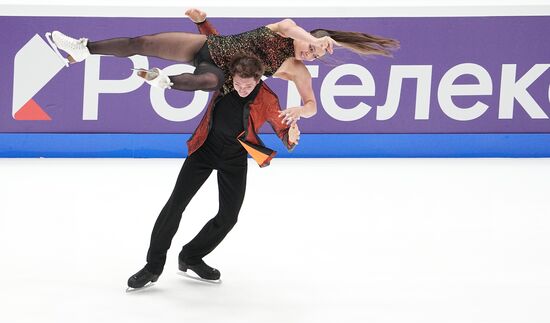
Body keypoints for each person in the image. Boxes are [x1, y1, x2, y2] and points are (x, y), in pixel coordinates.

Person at [127, 53, 301, 290]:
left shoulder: (268, 98)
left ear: (259, 80)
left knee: (229, 217)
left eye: (247, 85)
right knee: (175, 205)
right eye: (238, 83)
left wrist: (290, 136)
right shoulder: (224, 82)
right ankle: (152, 267)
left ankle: (191, 255)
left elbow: (282, 127)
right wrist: (201, 22)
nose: (241, 88)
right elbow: (213, 45)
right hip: (204, 151)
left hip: (235, 158)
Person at [46, 9, 399, 126]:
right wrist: (314, 39)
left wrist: (299, 112)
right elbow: (299, 33)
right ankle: (83, 49)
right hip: (206, 46)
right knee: (144, 42)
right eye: (312, 49)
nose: (311, 55)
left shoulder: (297, 71)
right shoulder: (288, 27)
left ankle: (163, 83)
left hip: (219, 69)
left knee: (204, 82)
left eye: (317, 55)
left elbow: (312, 104)